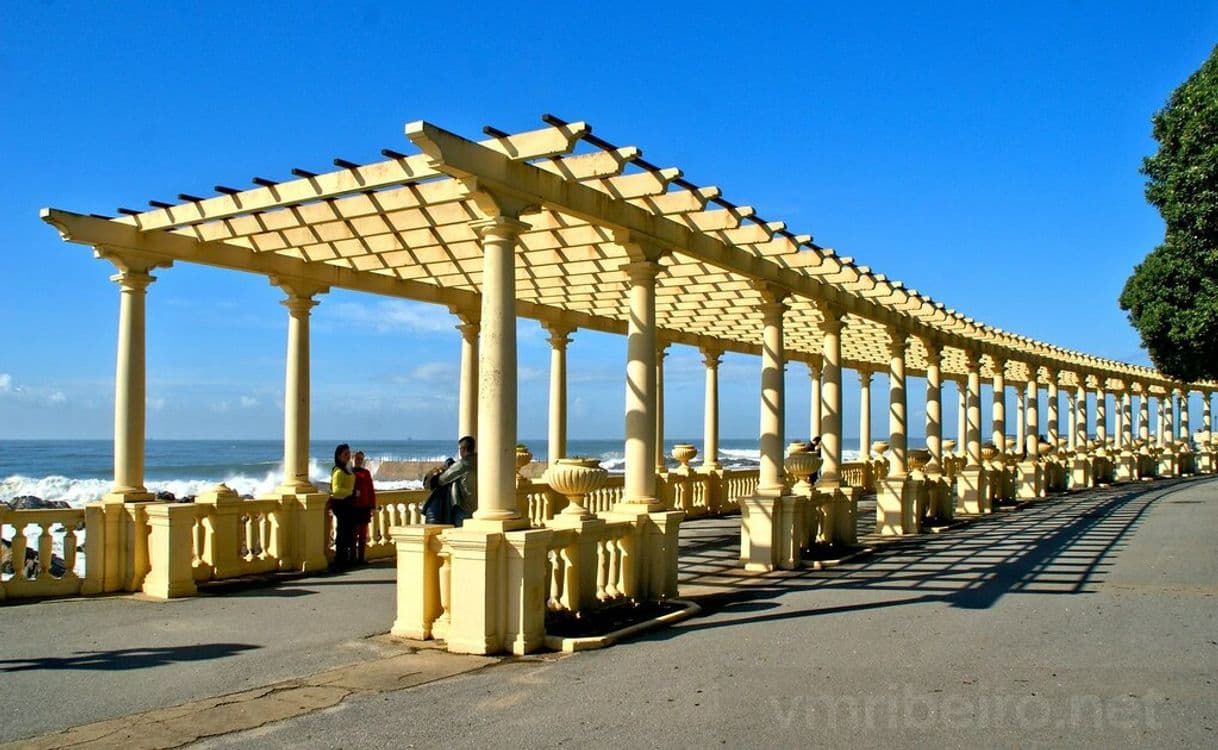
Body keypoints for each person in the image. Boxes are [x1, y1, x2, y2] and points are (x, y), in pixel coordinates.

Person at [424, 435, 477, 527]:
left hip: (464, 508)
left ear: (463, 449)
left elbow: (441, 480)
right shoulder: (480, 461)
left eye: (460, 448)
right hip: (478, 507)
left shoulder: (462, 464)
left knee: (461, 536)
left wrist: (442, 469)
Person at [329, 443, 356, 570]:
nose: (348, 456)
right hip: (340, 503)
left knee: (347, 532)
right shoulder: (338, 471)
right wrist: (351, 492)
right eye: (345, 454)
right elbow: (336, 489)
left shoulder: (347, 468)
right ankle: (339, 559)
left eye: (349, 454)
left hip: (348, 503)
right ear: (339, 456)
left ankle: (345, 558)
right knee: (342, 532)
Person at [351, 451, 377, 565]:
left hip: (364, 506)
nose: (359, 460)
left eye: (361, 459)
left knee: (363, 533)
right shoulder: (349, 472)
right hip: (353, 506)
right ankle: (352, 557)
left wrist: (373, 505)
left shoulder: (366, 473)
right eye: (357, 458)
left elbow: (371, 490)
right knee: (353, 533)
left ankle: (361, 558)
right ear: (353, 458)